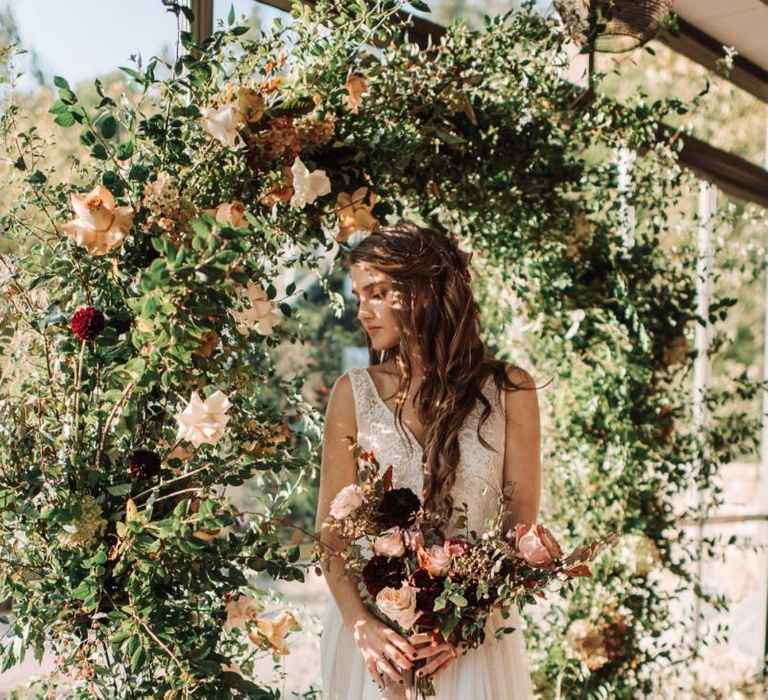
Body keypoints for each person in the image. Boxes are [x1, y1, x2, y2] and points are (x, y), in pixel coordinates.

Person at [316, 222, 541, 699]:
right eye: (358, 296)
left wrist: (465, 626)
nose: (363, 312)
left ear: (423, 291)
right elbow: (330, 534)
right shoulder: (353, 393)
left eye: (377, 293)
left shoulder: (509, 392)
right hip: (378, 647)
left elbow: (520, 528)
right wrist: (362, 627)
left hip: (470, 643)